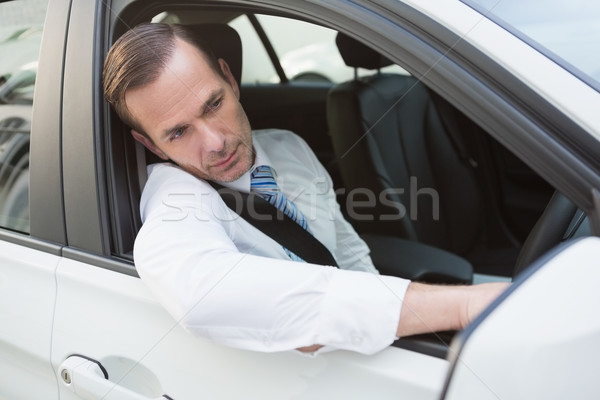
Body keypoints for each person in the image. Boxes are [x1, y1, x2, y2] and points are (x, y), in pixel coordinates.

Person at [103, 23, 509, 355]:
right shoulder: (175, 203)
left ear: (230, 79)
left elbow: (348, 252)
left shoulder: (288, 146)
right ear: (152, 145)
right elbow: (204, 293)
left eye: (213, 104)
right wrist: (464, 304)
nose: (215, 142)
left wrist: (397, 337)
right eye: (178, 133)